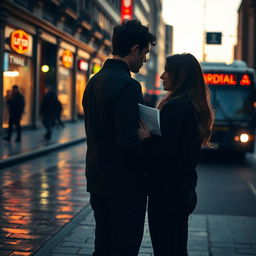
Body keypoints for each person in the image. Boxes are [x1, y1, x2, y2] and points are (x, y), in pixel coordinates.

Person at [82, 19, 156, 256]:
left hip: (97, 180)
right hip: (124, 186)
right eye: (144, 53)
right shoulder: (128, 85)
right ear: (134, 49)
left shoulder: (94, 82)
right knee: (124, 248)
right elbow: (128, 140)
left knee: (102, 246)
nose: (145, 60)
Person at [138, 53, 214, 256]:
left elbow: (166, 157)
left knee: (165, 250)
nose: (162, 76)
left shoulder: (173, 108)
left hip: (166, 194)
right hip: (185, 191)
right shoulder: (194, 107)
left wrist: (146, 138)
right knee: (178, 248)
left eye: (167, 71)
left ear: (179, 76)